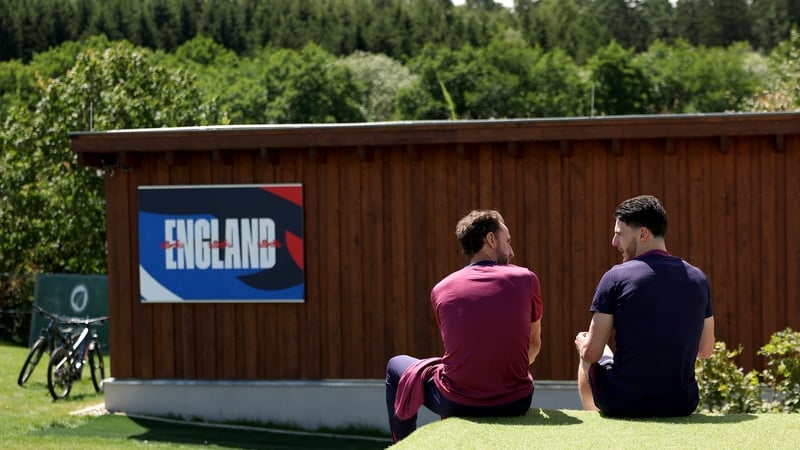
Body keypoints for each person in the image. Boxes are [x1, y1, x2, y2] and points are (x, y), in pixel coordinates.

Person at [385, 209, 543, 442]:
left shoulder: (441, 289)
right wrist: (501, 376)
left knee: (395, 365)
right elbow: (534, 345)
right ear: (491, 239)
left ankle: (404, 445)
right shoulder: (526, 279)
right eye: (507, 242)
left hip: (457, 402)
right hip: (516, 401)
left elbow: (461, 346)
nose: (511, 251)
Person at [574, 194, 715, 417]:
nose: (614, 242)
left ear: (642, 234)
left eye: (619, 234)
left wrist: (583, 345)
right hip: (681, 404)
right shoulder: (698, 278)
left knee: (587, 348)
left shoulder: (615, 277)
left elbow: (592, 353)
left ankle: (597, 422)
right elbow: (705, 351)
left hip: (623, 402)